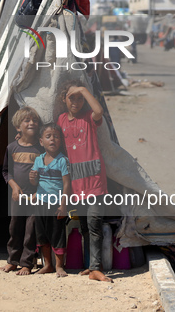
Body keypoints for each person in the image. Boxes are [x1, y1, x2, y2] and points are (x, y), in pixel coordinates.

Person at [57, 79, 112, 282]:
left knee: (95, 223)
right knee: (84, 228)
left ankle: (96, 268)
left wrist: (82, 89)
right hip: (76, 183)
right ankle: (91, 266)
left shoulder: (89, 117)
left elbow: (99, 110)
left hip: (95, 181)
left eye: (80, 98)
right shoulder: (61, 120)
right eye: (72, 97)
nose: (76, 102)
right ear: (64, 99)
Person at [0, 106, 43, 275]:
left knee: (30, 230)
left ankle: (27, 263)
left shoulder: (42, 149)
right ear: (18, 127)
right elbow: (5, 171)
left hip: (35, 197)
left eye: (34, 120)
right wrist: (14, 187)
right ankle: (12, 260)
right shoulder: (12, 148)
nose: (31, 123)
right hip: (17, 196)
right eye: (27, 120)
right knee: (15, 228)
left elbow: (48, 172)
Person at [30, 123, 72, 278]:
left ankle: (59, 266)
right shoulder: (39, 160)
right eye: (48, 136)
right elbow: (35, 182)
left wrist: (63, 205)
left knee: (57, 234)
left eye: (56, 136)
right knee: (42, 234)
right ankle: (47, 264)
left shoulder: (62, 160)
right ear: (41, 141)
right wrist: (32, 179)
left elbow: (67, 183)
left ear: (60, 140)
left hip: (56, 204)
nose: (52, 139)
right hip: (41, 202)